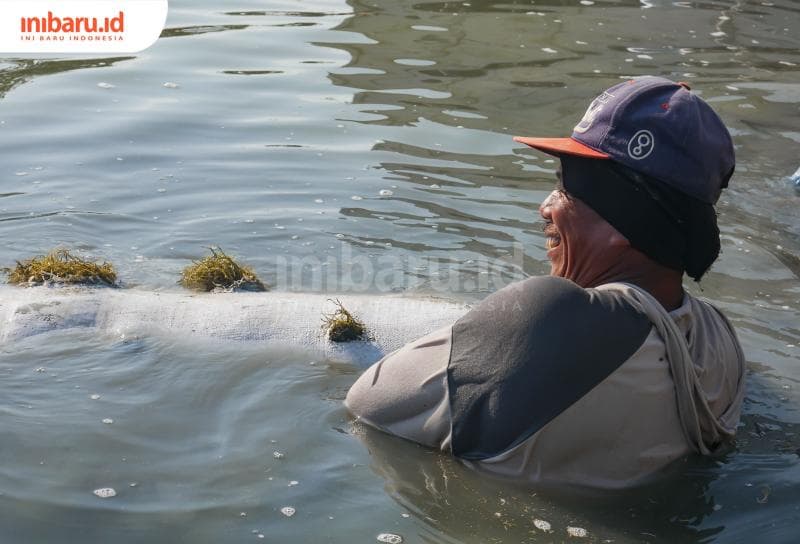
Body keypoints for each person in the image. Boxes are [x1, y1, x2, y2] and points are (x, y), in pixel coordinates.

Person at [345, 76, 746, 488]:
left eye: (564, 184)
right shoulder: (721, 343)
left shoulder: (551, 320)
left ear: (624, 219)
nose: (546, 206)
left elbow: (366, 404)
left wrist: (499, 331)